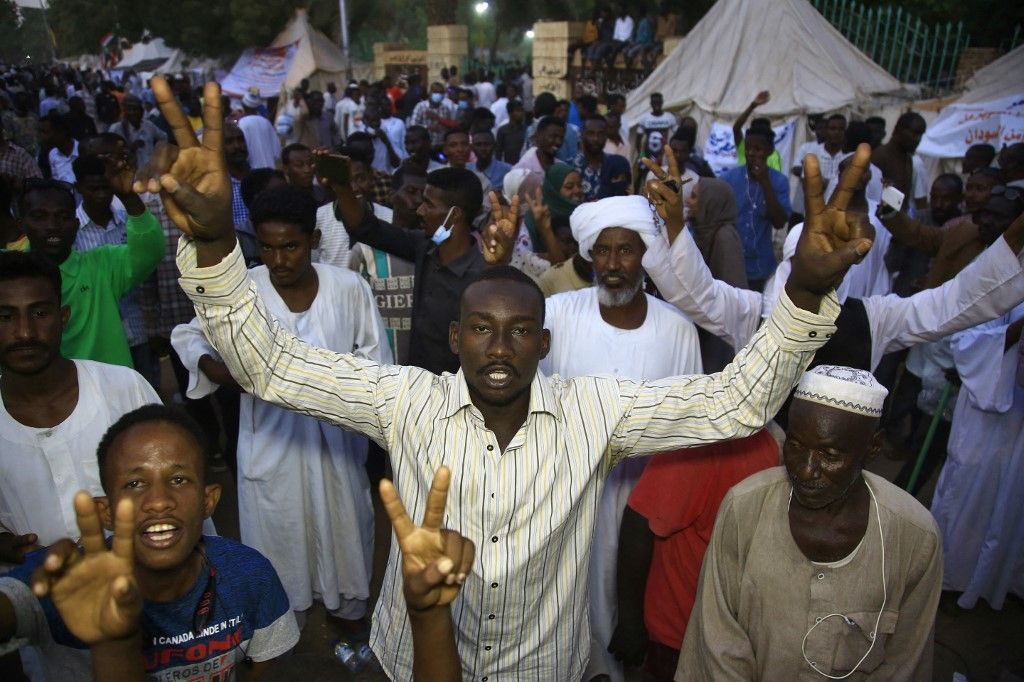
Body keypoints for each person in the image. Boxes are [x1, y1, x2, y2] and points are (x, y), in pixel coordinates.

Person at [136, 76, 873, 680]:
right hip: (413, 662)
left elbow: (737, 403)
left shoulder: (596, 414)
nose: (499, 348)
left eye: (519, 331)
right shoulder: (406, 400)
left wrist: (802, 292)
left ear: (543, 343)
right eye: (481, 329)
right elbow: (271, 367)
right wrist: (210, 244)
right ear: (455, 339)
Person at [172, 185, 391, 634]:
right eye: (268, 248)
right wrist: (224, 371)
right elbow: (190, 336)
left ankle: (347, 617)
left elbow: (378, 363)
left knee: (345, 531)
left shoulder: (348, 287)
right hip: (269, 442)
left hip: (338, 446)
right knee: (279, 535)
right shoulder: (242, 290)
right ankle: (281, 627)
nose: (279, 260)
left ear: (312, 239)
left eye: (290, 246)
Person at [678, 365, 942, 679]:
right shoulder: (744, 507)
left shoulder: (915, 537)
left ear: (872, 448)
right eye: (796, 446)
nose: (806, 471)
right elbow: (717, 637)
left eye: (829, 454)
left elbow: (904, 662)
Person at [0, 404, 300, 680]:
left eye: (179, 479)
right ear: (106, 511)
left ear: (207, 501)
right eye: (135, 484)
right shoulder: (62, 582)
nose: (158, 502)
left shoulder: (250, 576)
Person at [539, 195, 702, 682]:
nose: (612, 264)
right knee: (567, 598)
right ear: (589, 255)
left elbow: (687, 426)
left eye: (625, 251)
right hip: (566, 491)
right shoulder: (557, 313)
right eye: (602, 251)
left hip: (647, 496)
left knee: (632, 600)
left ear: (645, 256)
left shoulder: (677, 329)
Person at [0, 250, 160, 562]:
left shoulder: (124, 388)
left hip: (143, 586)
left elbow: (178, 493)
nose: (24, 332)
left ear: (63, 318)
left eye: (40, 314)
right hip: (31, 597)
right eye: (5, 317)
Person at [609, 429, 778, 680]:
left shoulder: (767, 441)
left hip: (721, 637)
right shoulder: (700, 444)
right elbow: (638, 521)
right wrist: (630, 624)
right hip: (673, 639)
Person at [18, 165, 163, 368]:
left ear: (76, 225)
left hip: (108, 394)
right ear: (22, 225)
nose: (52, 225)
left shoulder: (102, 265)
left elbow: (151, 250)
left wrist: (128, 197)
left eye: (62, 217)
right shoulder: (8, 276)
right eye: (40, 216)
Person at [930, 301, 1024, 611]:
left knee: (1012, 502)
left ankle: (998, 581)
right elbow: (969, 343)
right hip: (985, 417)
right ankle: (949, 578)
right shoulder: (1008, 281)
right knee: (968, 494)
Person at [72, 155, 155, 385]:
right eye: (93, 188)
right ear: (78, 188)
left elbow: (148, 266)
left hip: (136, 327)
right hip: (96, 340)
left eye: (105, 187)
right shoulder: (71, 231)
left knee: (145, 392)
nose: (101, 194)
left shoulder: (130, 221)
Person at [347, 164, 426, 364]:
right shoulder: (364, 251)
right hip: (380, 369)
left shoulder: (436, 250)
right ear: (392, 194)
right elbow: (352, 314)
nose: (417, 200)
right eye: (410, 191)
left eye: (424, 194)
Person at [686, 177, 748, 372]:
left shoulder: (724, 238)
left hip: (719, 333)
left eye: (695, 197)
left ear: (710, 202)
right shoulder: (704, 230)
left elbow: (731, 292)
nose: (689, 201)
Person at [719, 126, 791, 289]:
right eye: (748, 148)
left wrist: (765, 182)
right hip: (731, 263)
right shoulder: (728, 179)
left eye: (758, 149)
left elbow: (779, 222)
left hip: (760, 266)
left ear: (770, 150)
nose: (751, 153)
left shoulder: (779, 181)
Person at [871, 112, 927, 211]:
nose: (917, 139)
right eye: (914, 133)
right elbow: (872, 197)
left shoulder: (908, 158)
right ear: (899, 130)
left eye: (920, 135)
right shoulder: (880, 156)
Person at [522, 164, 582, 255]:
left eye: (580, 185)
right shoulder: (533, 219)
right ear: (553, 191)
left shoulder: (585, 215)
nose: (577, 190)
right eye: (569, 187)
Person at [573, 114, 632, 201]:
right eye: (590, 133)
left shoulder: (617, 164)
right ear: (582, 135)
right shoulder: (571, 166)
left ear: (606, 136)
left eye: (600, 134)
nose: (595, 138)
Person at [108, 95, 167, 170]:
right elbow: (110, 153)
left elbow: (164, 138)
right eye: (129, 109)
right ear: (124, 111)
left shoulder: (148, 125)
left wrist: (158, 156)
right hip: (130, 174)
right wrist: (129, 149)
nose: (133, 113)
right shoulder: (116, 129)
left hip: (151, 173)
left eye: (135, 109)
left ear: (141, 111)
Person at [237, 90, 281, 170]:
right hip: (271, 169)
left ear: (243, 106)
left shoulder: (242, 123)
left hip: (253, 170)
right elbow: (277, 151)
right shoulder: (266, 122)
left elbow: (242, 149)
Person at [409, 82, 458, 151]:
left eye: (441, 93)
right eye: (435, 92)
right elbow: (412, 126)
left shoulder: (446, 109)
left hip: (440, 147)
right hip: (424, 147)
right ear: (430, 93)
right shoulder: (421, 106)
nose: (438, 95)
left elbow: (450, 127)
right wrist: (428, 127)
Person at [468, 129, 512, 194]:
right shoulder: (467, 169)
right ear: (472, 148)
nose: (483, 148)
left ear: (494, 146)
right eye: (478, 145)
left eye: (487, 144)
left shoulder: (507, 171)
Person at [41, 113, 79, 183]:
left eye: (45, 132)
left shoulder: (82, 150)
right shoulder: (52, 154)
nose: (42, 137)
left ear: (61, 132)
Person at [495, 100, 526, 165]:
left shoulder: (526, 129)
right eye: (518, 111)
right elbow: (498, 152)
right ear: (510, 113)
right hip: (508, 167)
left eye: (522, 110)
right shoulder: (502, 130)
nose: (522, 113)